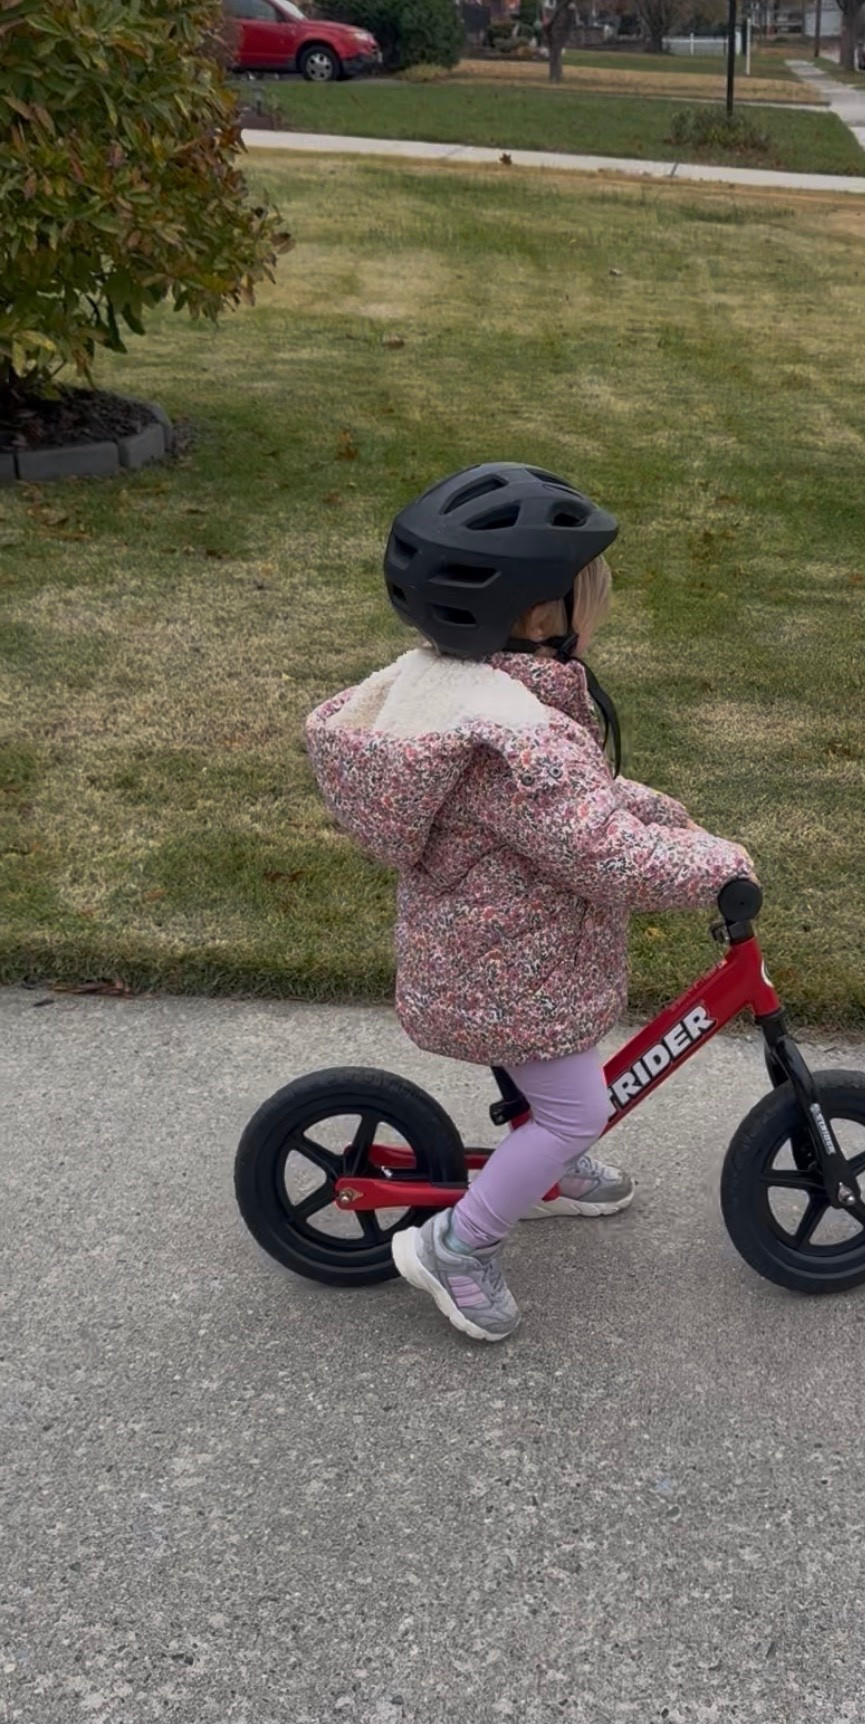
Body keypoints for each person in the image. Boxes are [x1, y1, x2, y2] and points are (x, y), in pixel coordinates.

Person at [305, 463, 754, 1343]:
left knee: (555, 1075)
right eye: (592, 590)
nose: (602, 604)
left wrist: (662, 813)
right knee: (576, 1105)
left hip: (488, 956)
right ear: (541, 616)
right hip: (513, 975)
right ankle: (458, 1247)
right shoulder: (518, 745)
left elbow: (588, 803)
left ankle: (546, 1167)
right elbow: (603, 852)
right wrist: (714, 865)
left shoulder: (464, 695)